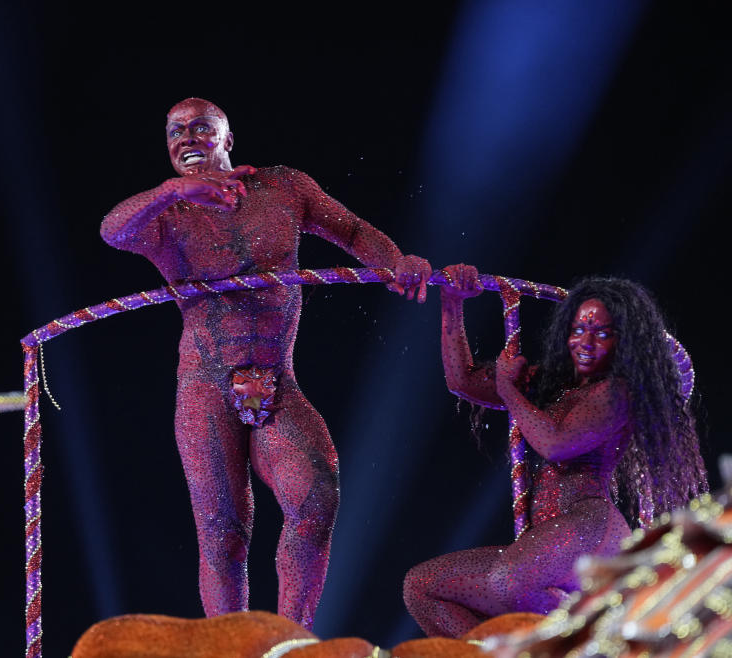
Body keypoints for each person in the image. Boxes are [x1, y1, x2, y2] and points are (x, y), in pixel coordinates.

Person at [100, 98, 432, 629]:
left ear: (228, 139)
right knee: (224, 533)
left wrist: (396, 263)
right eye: (174, 131)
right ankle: (231, 646)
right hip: (206, 387)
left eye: (201, 128)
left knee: (316, 497)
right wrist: (170, 192)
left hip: (277, 377)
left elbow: (351, 231)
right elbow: (113, 232)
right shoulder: (166, 216)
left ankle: (289, 640)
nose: (186, 138)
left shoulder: (282, 188)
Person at [403, 265, 708, 638]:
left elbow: (555, 443)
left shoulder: (619, 392)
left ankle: (598, 630)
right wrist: (453, 302)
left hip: (588, 526)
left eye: (602, 333)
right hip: (549, 539)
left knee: (509, 584)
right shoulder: (553, 386)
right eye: (578, 329)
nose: (585, 341)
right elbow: (463, 380)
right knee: (422, 587)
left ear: (625, 341)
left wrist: (510, 390)